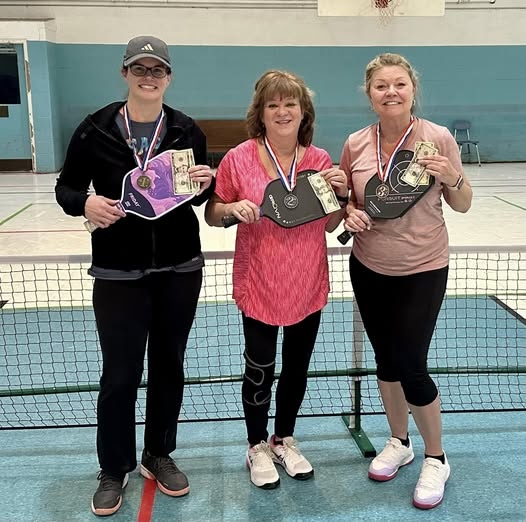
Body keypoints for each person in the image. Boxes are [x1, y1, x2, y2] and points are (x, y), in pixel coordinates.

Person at [55, 35, 214, 516]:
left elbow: (198, 194)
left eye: (157, 69)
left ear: (168, 77)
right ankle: (114, 467)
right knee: (120, 374)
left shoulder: (185, 130)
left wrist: (207, 184)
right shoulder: (95, 129)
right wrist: (85, 203)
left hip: (179, 269)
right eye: (140, 68)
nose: (149, 77)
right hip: (118, 272)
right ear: (124, 73)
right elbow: (66, 188)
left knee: (169, 366)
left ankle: (158, 454)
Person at [339, 53, 473, 510]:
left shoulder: (437, 138)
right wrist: (349, 213)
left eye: (399, 84)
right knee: (386, 361)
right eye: (381, 85)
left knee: (412, 363)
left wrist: (452, 175)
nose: (390, 92)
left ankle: (437, 457)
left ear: (413, 89)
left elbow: (463, 203)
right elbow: (348, 200)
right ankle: (399, 441)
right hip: (369, 265)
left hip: (423, 267)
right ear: (369, 94)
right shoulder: (356, 142)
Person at [205, 70, 347, 489]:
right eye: (273, 105)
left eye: (290, 104)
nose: (282, 112)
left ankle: (283, 439)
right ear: (261, 113)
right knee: (260, 368)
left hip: (306, 279)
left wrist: (340, 196)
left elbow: (329, 224)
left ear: (304, 112)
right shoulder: (238, 158)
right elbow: (212, 213)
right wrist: (232, 210)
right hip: (259, 280)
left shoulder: (318, 160)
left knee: (297, 368)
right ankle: (255, 445)